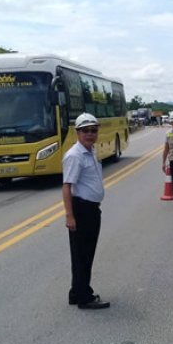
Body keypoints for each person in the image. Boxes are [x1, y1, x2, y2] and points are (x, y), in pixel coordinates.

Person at [62, 113, 110, 310]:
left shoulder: (90, 151)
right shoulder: (75, 155)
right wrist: (70, 215)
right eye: (85, 130)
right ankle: (84, 297)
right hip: (81, 210)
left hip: (91, 209)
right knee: (83, 254)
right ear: (77, 133)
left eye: (93, 130)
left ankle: (76, 292)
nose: (90, 134)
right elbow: (67, 186)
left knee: (83, 253)